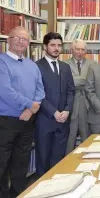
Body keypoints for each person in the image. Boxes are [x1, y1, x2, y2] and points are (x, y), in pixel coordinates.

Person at [0, 26, 45, 197]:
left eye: (24, 39)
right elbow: (5, 90)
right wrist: (29, 106)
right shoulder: (2, 61)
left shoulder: (31, 65)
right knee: (2, 163)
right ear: (8, 40)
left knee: (21, 162)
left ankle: (18, 193)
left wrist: (32, 109)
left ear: (28, 43)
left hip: (27, 121)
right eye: (16, 38)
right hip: (6, 121)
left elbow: (40, 90)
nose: (20, 41)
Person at [35, 32, 75, 177]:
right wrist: (54, 112)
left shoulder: (65, 67)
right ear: (45, 46)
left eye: (59, 45)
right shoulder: (36, 66)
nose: (56, 48)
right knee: (43, 160)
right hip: (45, 121)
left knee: (58, 160)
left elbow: (71, 91)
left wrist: (67, 110)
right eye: (53, 45)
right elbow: (37, 94)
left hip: (63, 121)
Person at [64, 39, 96, 154]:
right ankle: (66, 165)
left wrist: (75, 81)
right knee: (69, 139)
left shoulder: (93, 64)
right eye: (77, 49)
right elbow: (66, 84)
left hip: (88, 105)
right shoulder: (64, 64)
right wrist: (84, 80)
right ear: (71, 50)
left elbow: (94, 84)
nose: (80, 52)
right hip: (70, 105)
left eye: (83, 49)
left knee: (87, 138)